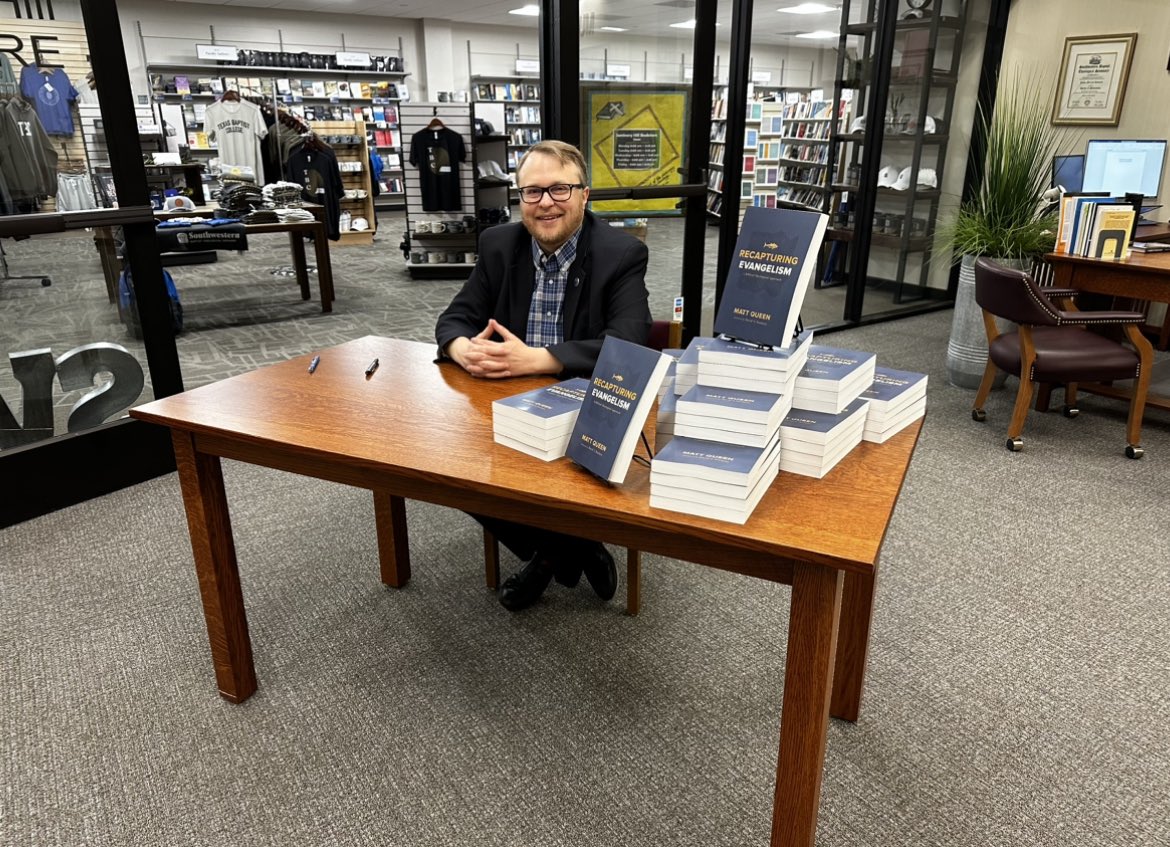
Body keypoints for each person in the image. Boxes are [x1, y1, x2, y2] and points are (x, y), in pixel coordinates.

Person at [435, 140, 652, 612]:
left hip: (586, 406)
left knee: (566, 477)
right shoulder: (499, 244)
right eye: (532, 192)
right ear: (520, 199)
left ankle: (550, 557)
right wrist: (463, 350)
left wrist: (539, 359)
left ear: (584, 195)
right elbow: (453, 319)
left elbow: (630, 345)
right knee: (454, 473)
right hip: (510, 403)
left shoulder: (621, 253)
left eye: (559, 189)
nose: (546, 203)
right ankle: (575, 549)